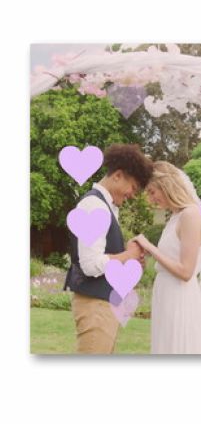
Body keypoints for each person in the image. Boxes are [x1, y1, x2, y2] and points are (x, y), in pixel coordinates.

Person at [133, 161, 201, 354]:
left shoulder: (191, 214)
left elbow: (186, 271)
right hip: (166, 295)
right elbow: (172, 257)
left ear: (167, 186)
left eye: (152, 191)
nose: (150, 199)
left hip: (179, 298)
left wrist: (150, 246)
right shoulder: (175, 217)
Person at [64, 144, 153, 354]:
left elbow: (106, 256)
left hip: (104, 305)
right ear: (118, 176)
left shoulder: (106, 206)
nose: (132, 195)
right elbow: (90, 265)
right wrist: (128, 254)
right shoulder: (94, 206)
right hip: (95, 306)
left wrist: (129, 259)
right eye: (132, 187)